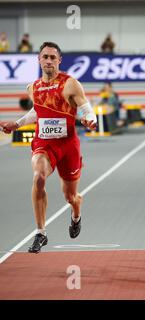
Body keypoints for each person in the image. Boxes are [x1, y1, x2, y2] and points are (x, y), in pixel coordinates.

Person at [0, 42, 97, 253]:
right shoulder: (32, 87)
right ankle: (41, 233)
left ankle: (76, 214)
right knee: (39, 177)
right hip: (44, 143)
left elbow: (87, 109)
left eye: (53, 57)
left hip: (68, 145)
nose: (49, 61)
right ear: (39, 60)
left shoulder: (70, 84)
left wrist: (89, 120)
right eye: (45, 57)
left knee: (70, 197)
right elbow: (37, 113)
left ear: (59, 60)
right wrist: (16, 124)